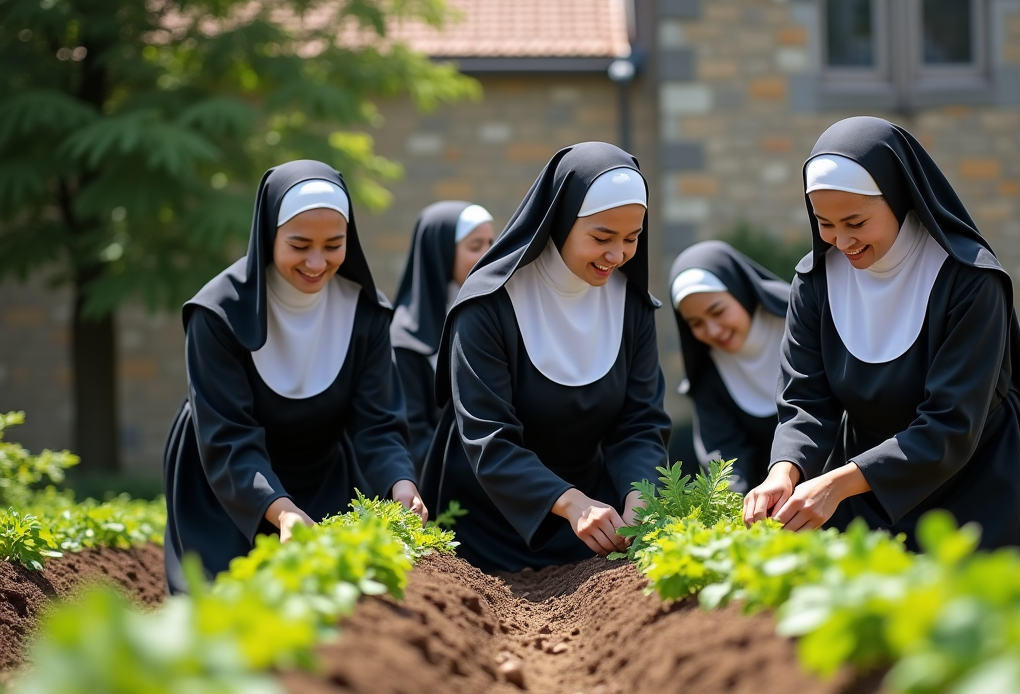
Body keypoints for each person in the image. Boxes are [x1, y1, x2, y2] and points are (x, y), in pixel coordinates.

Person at [744, 117, 1020, 556]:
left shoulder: (970, 281)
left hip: (981, 489)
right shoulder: (815, 281)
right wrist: (785, 469)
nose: (841, 241)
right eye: (824, 223)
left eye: (855, 222)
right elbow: (806, 398)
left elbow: (951, 424)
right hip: (869, 497)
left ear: (899, 198)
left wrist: (839, 482)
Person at [162, 160, 427, 594]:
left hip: (322, 472)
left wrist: (400, 482)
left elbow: (377, 422)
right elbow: (229, 435)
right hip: (226, 483)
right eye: (300, 245)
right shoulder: (216, 315)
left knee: (334, 604)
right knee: (224, 609)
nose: (317, 262)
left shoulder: (365, 312)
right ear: (270, 234)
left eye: (334, 244)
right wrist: (281, 512)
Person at [421, 142, 672, 573]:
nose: (617, 256)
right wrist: (569, 503)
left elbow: (639, 422)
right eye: (601, 237)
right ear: (559, 221)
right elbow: (489, 437)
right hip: (484, 531)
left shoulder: (631, 306)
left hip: (594, 529)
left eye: (632, 239)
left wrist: (639, 496)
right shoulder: (486, 308)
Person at [668, 241, 789, 494]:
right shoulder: (708, 373)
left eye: (718, 311)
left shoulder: (802, 324)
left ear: (740, 291)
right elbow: (723, 455)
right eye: (696, 323)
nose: (713, 330)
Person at [390, 201, 495, 476]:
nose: (488, 255)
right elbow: (410, 438)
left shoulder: (486, 319)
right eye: (475, 246)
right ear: (442, 252)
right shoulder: (405, 342)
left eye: (491, 243)